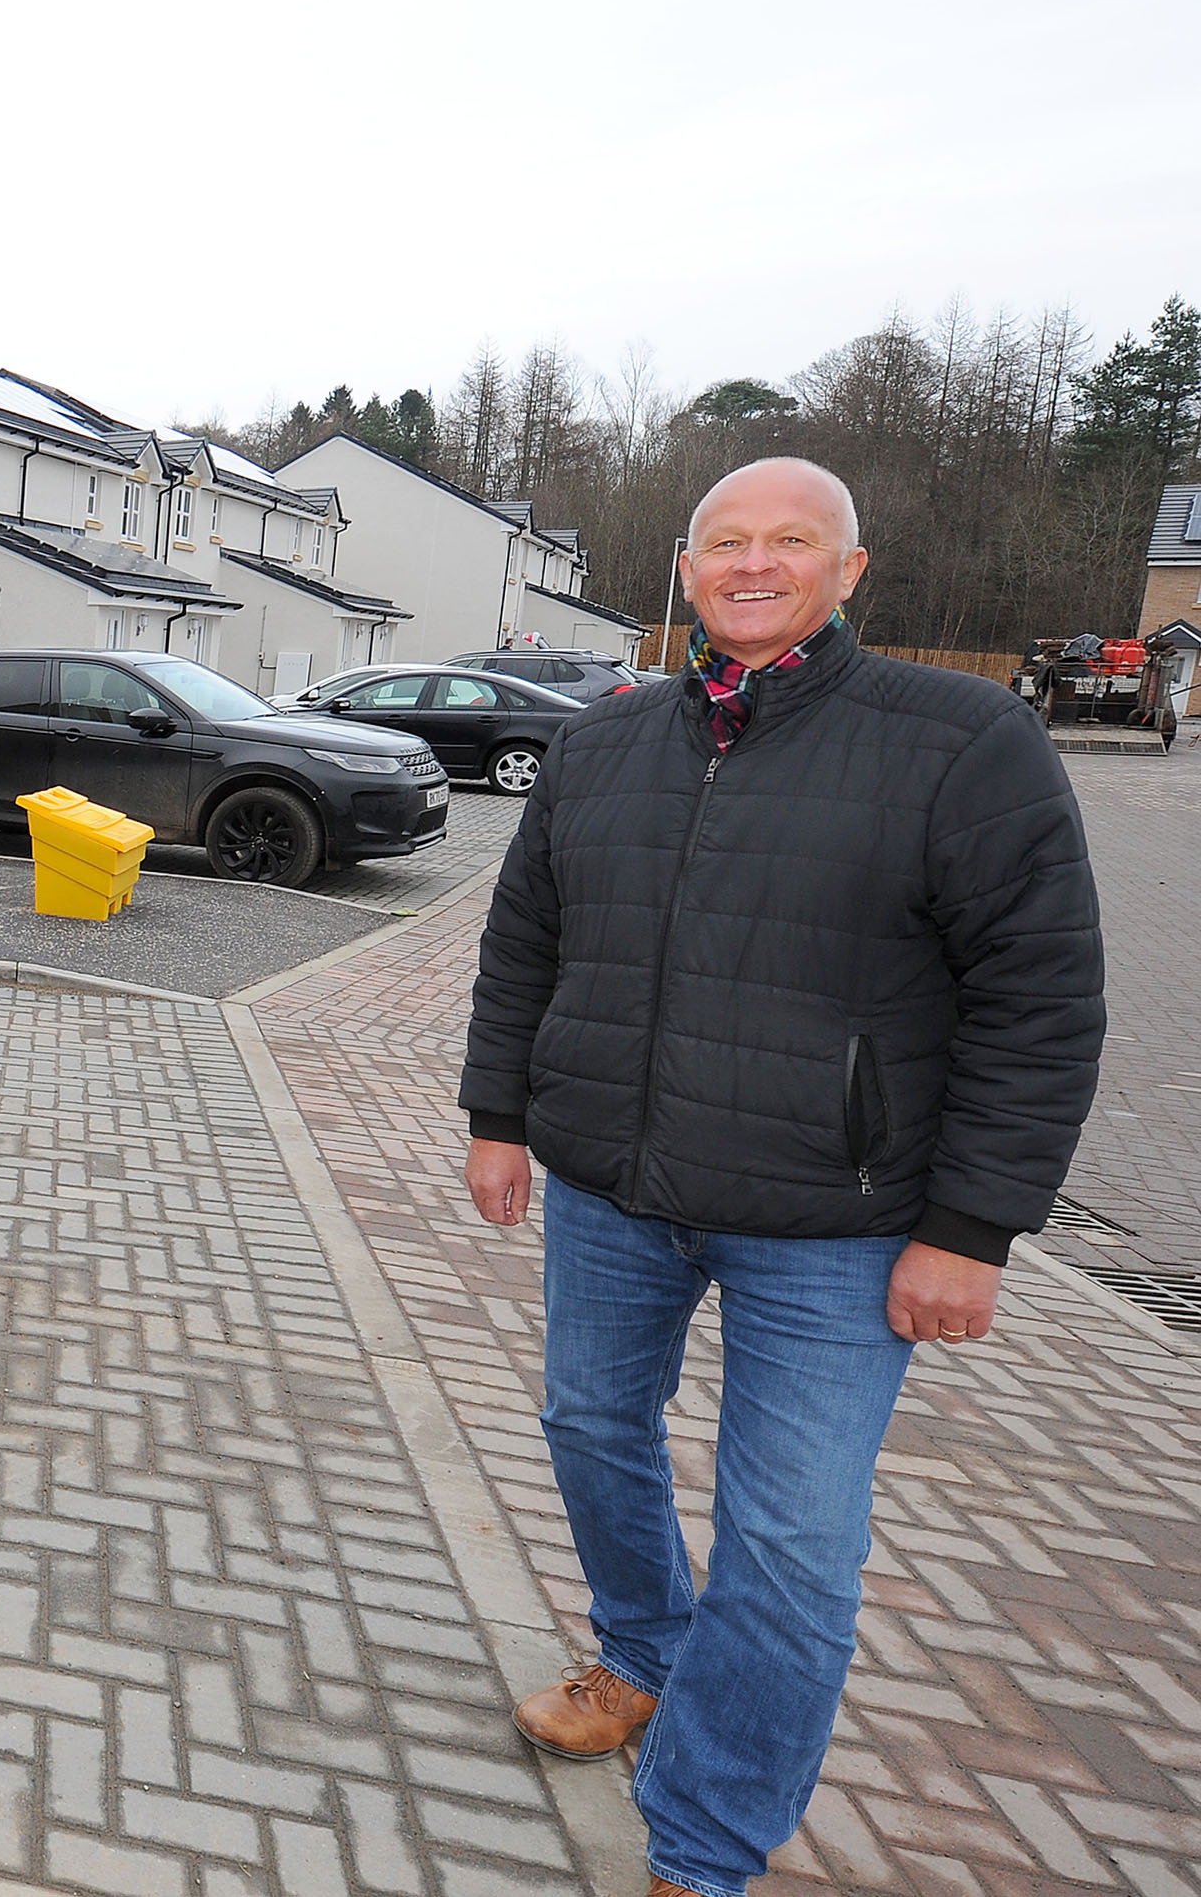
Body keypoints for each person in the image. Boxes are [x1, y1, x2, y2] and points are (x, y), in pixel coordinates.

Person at [457, 457, 1102, 1897]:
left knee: (793, 1543)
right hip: (615, 1191)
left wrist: (971, 1228)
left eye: (791, 540)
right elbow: (522, 946)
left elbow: (1040, 998)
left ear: (851, 568)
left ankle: (701, 1842)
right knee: (585, 1420)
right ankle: (642, 1650)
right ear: (685, 572)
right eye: (725, 542)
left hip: (841, 1224)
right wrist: (500, 1115)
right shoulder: (604, 743)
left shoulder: (963, 740)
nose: (755, 563)